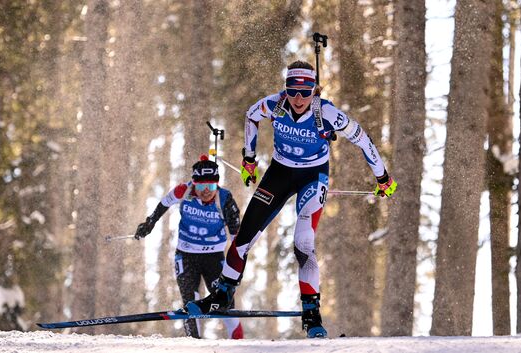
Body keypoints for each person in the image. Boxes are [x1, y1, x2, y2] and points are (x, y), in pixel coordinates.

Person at [185, 61, 397, 338]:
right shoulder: (275, 105)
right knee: (243, 237)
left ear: (314, 91)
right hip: (279, 173)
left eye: (305, 92)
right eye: (292, 91)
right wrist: (249, 160)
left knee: (303, 243)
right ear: (285, 89)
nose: (298, 99)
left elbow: (363, 140)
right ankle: (221, 295)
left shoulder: (328, 113)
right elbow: (251, 116)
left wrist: (383, 178)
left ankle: (312, 314)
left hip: (313, 176)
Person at [134, 155, 244, 339]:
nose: (206, 191)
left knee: (224, 302)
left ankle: (238, 343)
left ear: (217, 184)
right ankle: (194, 345)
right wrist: (149, 224)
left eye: (211, 186)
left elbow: (237, 239)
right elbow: (163, 204)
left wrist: (237, 269)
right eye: (201, 186)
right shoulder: (183, 191)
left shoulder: (225, 199)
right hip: (185, 255)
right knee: (189, 300)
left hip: (214, 257)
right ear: (194, 183)